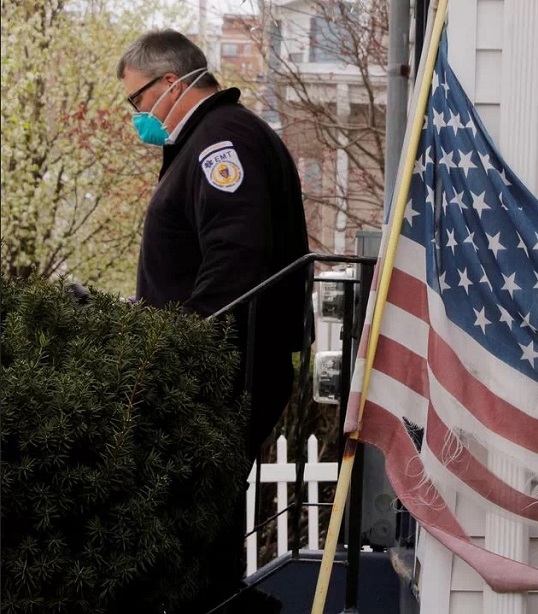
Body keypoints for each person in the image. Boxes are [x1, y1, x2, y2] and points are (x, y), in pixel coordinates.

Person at [117, 30, 309, 612]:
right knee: (205, 522)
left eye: (137, 101)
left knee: (199, 521)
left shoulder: (219, 142)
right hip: (223, 365)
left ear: (170, 84)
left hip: (222, 371)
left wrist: (183, 350)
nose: (138, 117)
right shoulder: (212, 137)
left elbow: (234, 260)